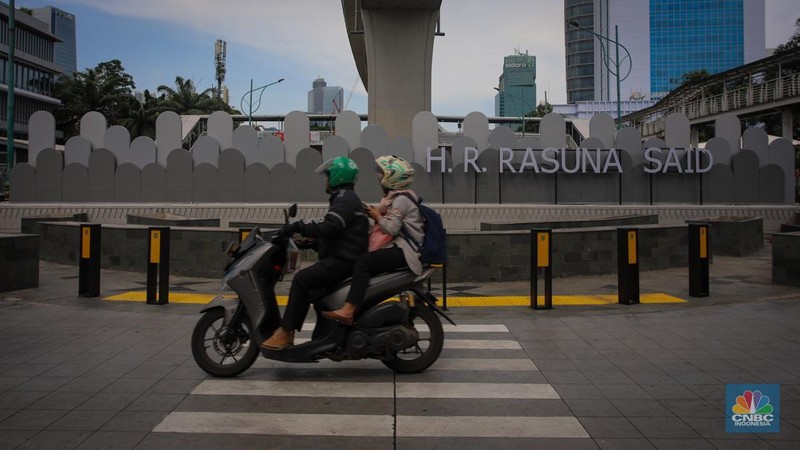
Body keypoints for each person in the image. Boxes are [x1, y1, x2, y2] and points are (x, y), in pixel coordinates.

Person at [261, 156, 369, 350]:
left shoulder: (345, 198)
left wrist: (296, 226)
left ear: (336, 176)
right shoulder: (347, 199)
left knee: (302, 280)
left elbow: (330, 225)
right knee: (315, 292)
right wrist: (307, 243)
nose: (325, 180)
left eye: (327, 175)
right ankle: (324, 337)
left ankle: (286, 333)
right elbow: (339, 234)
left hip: (343, 261)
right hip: (345, 258)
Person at [323, 155, 424, 325]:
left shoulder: (401, 200)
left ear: (393, 177)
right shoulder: (397, 198)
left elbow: (392, 228)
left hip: (405, 252)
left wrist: (377, 216)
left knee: (363, 262)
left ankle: (348, 310)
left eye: (382, 172)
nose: (378, 176)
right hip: (400, 248)